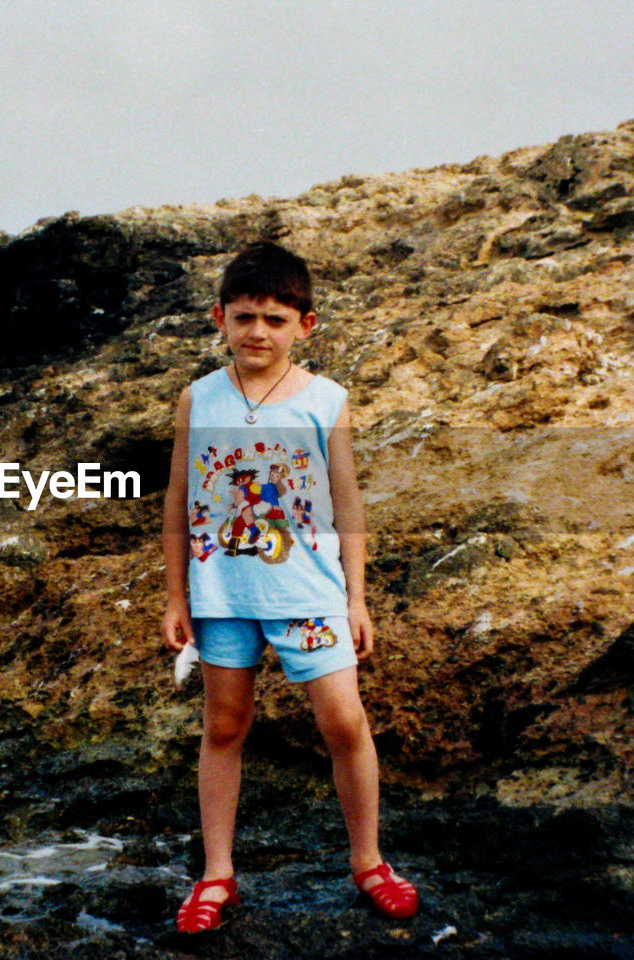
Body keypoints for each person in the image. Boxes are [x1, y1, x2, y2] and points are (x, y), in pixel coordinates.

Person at [161, 241, 417, 933]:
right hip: (223, 597)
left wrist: (356, 599)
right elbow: (180, 497)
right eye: (244, 317)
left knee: (344, 721)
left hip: (309, 594)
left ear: (305, 324)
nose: (258, 332)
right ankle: (216, 876)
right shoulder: (199, 398)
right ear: (219, 317)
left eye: (276, 319)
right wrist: (177, 596)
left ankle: (369, 861)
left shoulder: (327, 400)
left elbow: (347, 501)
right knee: (224, 726)